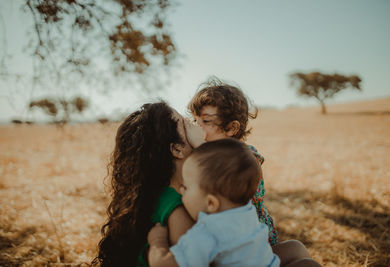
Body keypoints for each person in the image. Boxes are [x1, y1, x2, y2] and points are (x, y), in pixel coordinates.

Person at [186, 78, 321, 266]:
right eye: (195, 120)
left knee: (297, 248)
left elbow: (221, 176)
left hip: (248, 244)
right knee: (298, 254)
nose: (196, 127)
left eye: (205, 121)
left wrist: (199, 146)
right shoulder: (203, 153)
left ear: (232, 128)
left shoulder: (247, 158)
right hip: (232, 250)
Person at [92, 102, 204, 267]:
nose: (192, 123)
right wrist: (206, 148)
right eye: (183, 122)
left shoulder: (151, 197)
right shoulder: (178, 208)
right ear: (177, 149)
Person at [147, 138, 280, 267]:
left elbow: (165, 264)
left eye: (186, 187)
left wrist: (157, 242)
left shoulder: (208, 231)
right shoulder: (247, 211)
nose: (181, 191)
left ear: (211, 203)